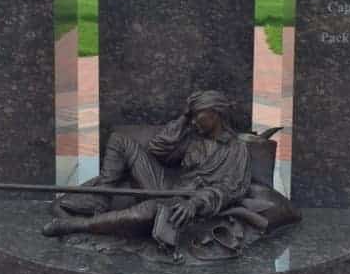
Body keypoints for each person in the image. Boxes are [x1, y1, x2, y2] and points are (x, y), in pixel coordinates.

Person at [43, 90, 252, 244]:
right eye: (193, 115)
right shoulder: (193, 136)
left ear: (215, 113)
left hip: (185, 203)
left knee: (146, 211)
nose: (195, 121)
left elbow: (231, 189)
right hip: (164, 187)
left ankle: (75, 225)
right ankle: (100, 198)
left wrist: (195, 203)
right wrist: (184, 118)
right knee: (119, 140)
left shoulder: (236, 149)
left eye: (198, 115)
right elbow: (158, 149)